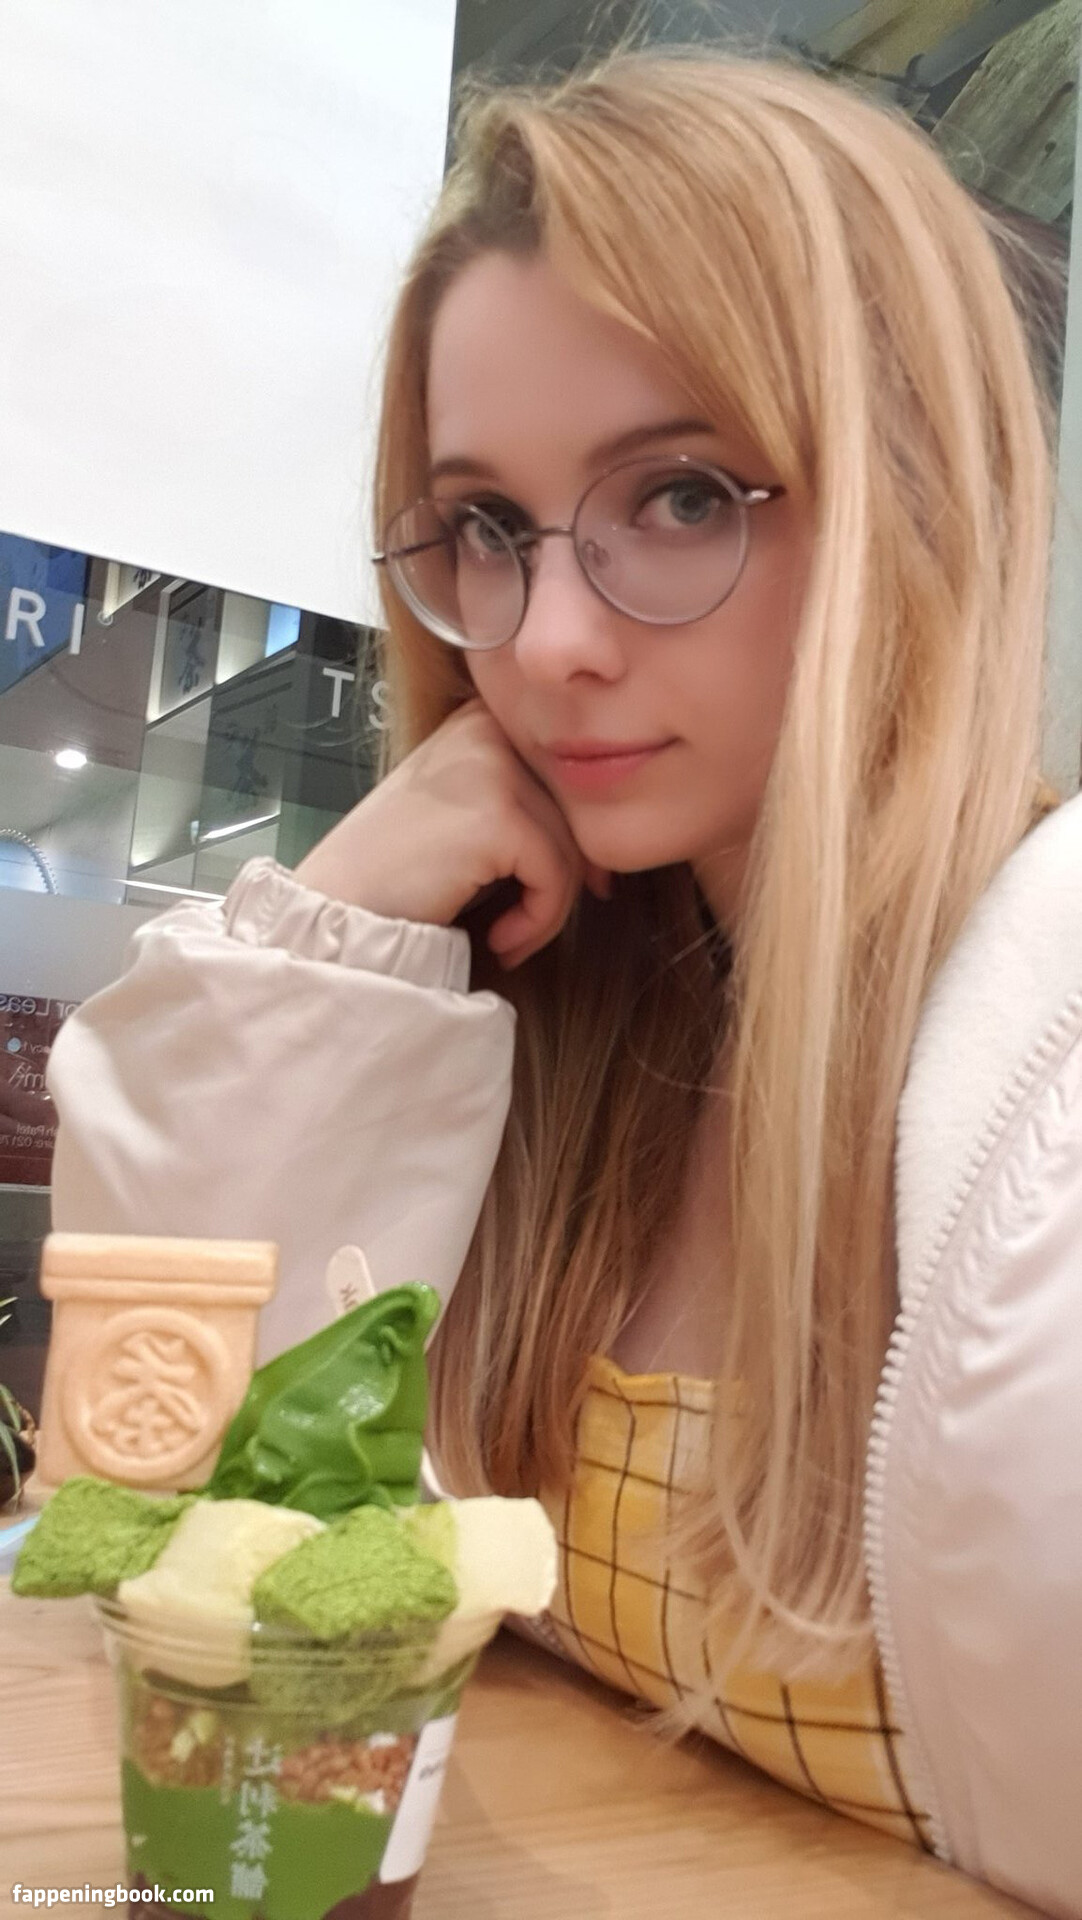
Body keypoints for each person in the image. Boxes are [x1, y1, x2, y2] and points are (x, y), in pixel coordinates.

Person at [46, 48, 1082, 1915]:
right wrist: (339, 933)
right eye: (487, 530)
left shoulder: (1047, 1056)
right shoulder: (526, 1004)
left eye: (677, 497)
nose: (547, 641)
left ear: (923, 501)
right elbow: (173, 1513)